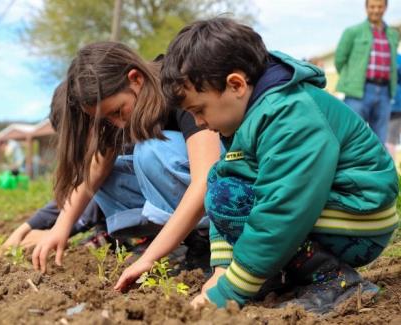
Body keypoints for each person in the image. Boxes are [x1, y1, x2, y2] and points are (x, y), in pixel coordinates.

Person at [160, 18, 399, 313]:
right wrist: (222, 269)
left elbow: (283, 212)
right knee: (222, 187)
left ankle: (336, 282)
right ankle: (277, 276)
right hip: (329, 210)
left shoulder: (290, 115)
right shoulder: (251, 114)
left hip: (361, 218)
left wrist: (230, 292)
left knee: (237, 199)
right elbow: (223, 183)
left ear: (235, 84)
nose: (198, 123)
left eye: (199, 110)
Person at [31, 42, 222, 277]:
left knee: (150, 151)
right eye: (107, 119)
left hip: (227, 185)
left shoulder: (177, 84)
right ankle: (188, 242)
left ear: (136, 78)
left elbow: (206, 178)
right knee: (105, 174)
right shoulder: (124, 109)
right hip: (192, 189)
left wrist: (151, 257)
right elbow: (96, 170)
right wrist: (61, 227)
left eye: (118, 111)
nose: (118, 124)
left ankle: (211, 241)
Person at [0, 81, 103, 253]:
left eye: (75, 135)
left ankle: (114, 235)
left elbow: (93, 199)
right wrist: (24, 228)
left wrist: (56, 231)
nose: (76, 145)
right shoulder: (94, 154)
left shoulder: (118, 150)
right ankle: (107, 234)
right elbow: (75, 195)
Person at [334, 0, 399, 143]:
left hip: (384, 92)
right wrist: (351, 79)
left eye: (380, 7)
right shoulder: (353, 32)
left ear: (385, 8)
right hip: (358, 92)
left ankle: (377, 166)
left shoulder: (393, 35)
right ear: (366, 8)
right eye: (372, 7)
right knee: (352, 136)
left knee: (380, 140)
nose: (376, 10)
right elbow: (339, 60)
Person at [386, 52, 401, 159]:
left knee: (389, 140)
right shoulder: (398, 58)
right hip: (394, 106)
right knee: (390, 140)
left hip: (394, 106)